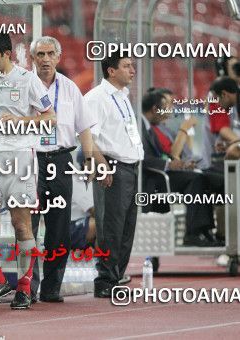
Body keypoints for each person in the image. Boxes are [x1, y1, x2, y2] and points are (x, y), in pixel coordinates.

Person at [0, 32, 56, 310]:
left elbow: (50, 119)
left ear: (6, 54)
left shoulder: (27, 79)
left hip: (19, 159)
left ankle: (25, 288)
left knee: (21, 225)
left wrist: (20, 120)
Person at [28, 36, 95, 303]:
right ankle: (28, 288)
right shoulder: (24, 85)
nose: (45, 59)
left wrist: (89, 159)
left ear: (58, 57)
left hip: (60, 159)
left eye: (50, 54)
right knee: (27, 227)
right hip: (31, 160)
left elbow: (84, 127)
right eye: (40, 54)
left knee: (59, 228)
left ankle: (52, 287)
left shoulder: (69, 88)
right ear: (33, 58)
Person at [84, 51, 144, 298]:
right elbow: (88, 138)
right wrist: (102, 165)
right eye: (127, 66)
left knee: (126, 227)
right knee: (111, 226)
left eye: (132, 65)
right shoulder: (96, 98)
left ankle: (116, 274)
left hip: (130, 168)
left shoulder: (122, 96)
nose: (132, 70)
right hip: (112, 166)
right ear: (111, 70)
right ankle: (105, 279)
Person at [140, 90, 219, 246]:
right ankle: (193, 233)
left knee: (201, 179)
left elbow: (165, 154)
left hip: (161, 173)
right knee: (197, 179)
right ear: (156, 109)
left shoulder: (150, 127)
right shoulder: (140, 126)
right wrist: (169, 164)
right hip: (152, 179)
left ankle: (203, 230)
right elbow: (142, 158)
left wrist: (179, 164)